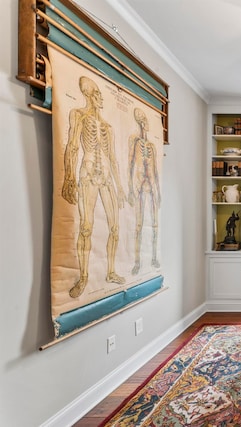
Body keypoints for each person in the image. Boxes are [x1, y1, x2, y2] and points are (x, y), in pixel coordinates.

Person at [62, 76, 125, 298]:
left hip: (107, 176)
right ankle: (84, 277)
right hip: (88, 173)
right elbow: (71, 147)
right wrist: (69, 178)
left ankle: (110, 271)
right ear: (89, 94)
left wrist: (120, 188)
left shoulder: (108, 127)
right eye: (97, 94)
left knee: (115, 228)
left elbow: (114, 159)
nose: (100, 98)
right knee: (86, 227)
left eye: (100, 94)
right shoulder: (78, 115)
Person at [128, 108, 161, 275]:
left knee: (155, 225)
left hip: (152, 186)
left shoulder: (152, 148)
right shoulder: (136, 143)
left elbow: (155, 171)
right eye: (142, 120)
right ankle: (137, 262)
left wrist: (159, 192)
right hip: (139, 185)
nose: (145, 123)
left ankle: (154, 258)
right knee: (139, 225)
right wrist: (129, 187)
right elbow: (131, 165)